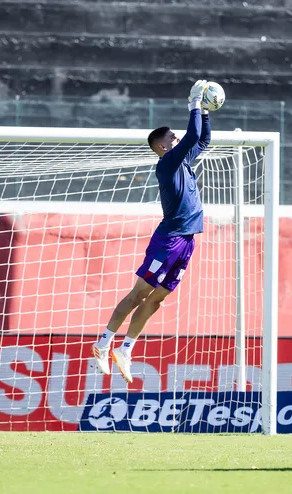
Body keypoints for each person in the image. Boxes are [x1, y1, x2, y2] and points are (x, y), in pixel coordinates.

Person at [91, 80, 212, 383]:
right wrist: (194, 104)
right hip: (169, 240)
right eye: (173, 137)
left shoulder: (181, 159)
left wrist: (206, 112)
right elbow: (194, 135)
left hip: (186, 241)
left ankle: (126, 348)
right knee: (138, 294)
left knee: (158, 298)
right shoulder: (168, 163)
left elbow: (203, 140)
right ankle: (103, 343)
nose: (178, 138)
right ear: (162, 146)